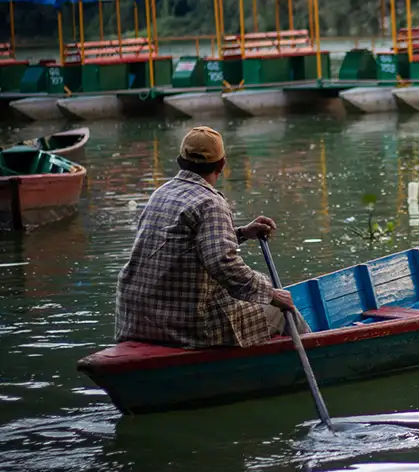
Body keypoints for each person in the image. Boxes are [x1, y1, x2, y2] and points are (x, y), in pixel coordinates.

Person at [115, 126, 309, 348]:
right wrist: (271, 294)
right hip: (183, 325)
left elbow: (188, 246)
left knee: (252, 292)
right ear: (222, 165)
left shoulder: (162, 192)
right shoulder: (210, 202)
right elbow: (223, 263)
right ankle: (316, 357)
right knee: (282, 309)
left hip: (135, 319)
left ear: (180, 161)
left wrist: (242, 233)